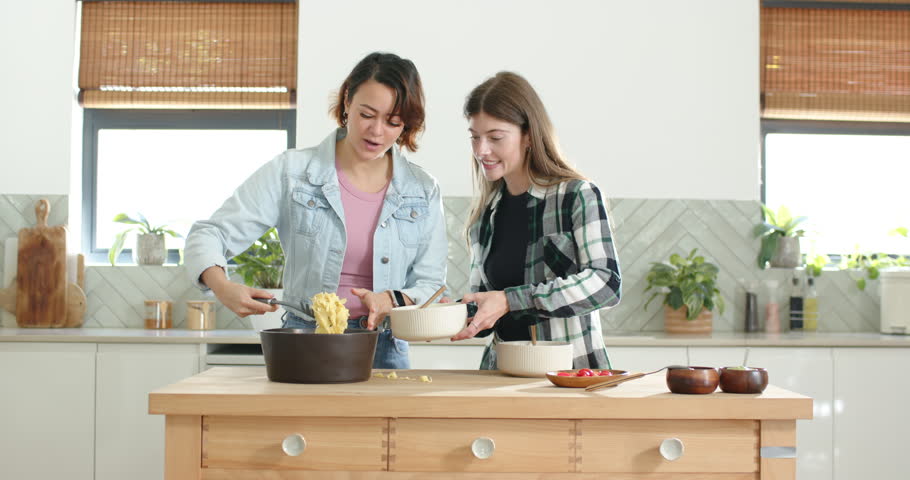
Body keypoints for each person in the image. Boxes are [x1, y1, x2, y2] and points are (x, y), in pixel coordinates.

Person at [184, 52, 447, 368]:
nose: (377, 131)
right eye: (367, 114)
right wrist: (223, 287)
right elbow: (209, 234)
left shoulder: (422, 190)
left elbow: (432, 284)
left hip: (385, 344)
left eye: (393, 122)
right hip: (306, 338)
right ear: (347, 101)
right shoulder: (292, 172)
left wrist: (390, 299)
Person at [451, 71, 621, 370]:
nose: (481, 150)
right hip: (501, 375)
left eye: (495, 137)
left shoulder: (576, 195)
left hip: (571, 375)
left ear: (528, 135)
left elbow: (606, 283)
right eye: (475, 137)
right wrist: (456, 313)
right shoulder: (485, 216)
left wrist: (511, 300)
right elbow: (487, 313)